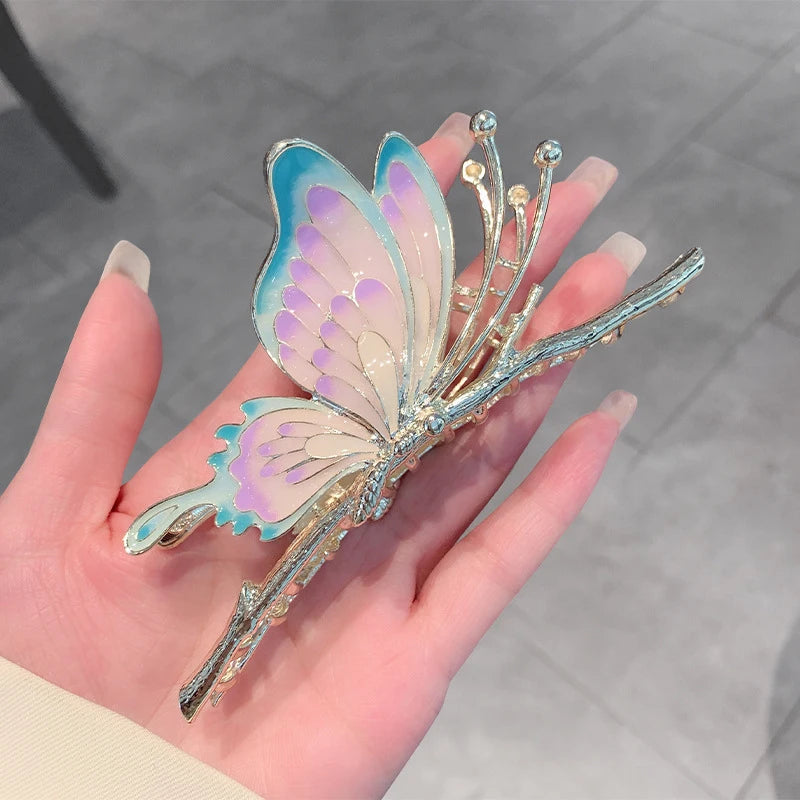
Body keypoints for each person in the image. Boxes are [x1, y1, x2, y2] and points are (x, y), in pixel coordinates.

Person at [0, 112, 642, 799]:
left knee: (257, 486)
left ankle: (205, 502)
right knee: (241, 488)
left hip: (337, 444)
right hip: (328, 438)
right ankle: (202, 501)